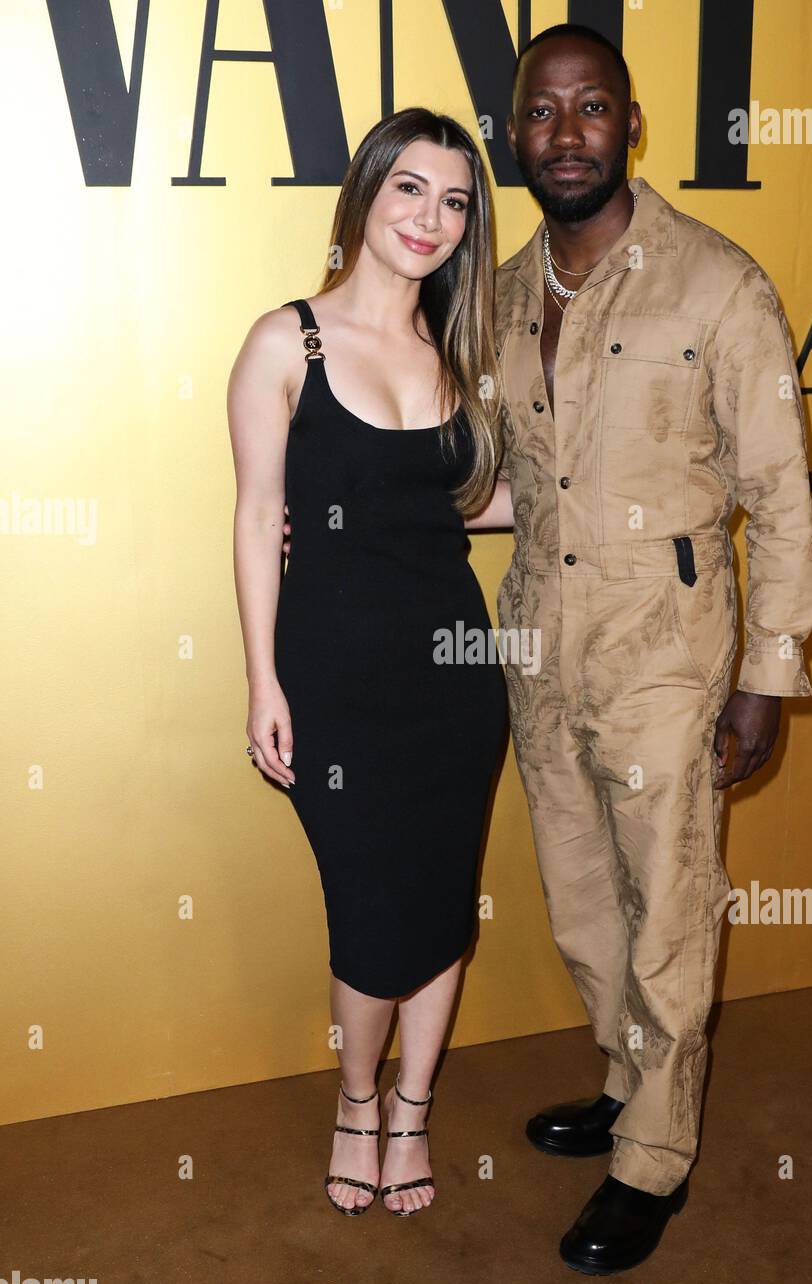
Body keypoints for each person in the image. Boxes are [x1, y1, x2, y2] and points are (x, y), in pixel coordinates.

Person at [491, 24, 812, 1274]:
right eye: (540, 112)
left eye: (589, 109)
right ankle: (629, 1083)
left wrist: (764, 673)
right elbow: (522, 480)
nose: (564, 131)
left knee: (670, 911)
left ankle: (653, 1159)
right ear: (513, 135)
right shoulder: (506, 289)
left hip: (666, 653)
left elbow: (778, 492)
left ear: (630, 126)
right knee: (585, 906)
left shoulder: (717, 284)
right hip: (540, 642)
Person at [228, 108, 510, 1218]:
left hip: (452, 677)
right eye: (409, 190)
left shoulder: (460, 351)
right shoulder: (282, 341)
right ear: (364, 196)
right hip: (334, 677)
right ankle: (356, 1100)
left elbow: (468, 504)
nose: (429, 219)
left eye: (453, 201)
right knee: (367, 904)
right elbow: (258, 517)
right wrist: (262, 678)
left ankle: (413, 1108)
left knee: (442, 898)